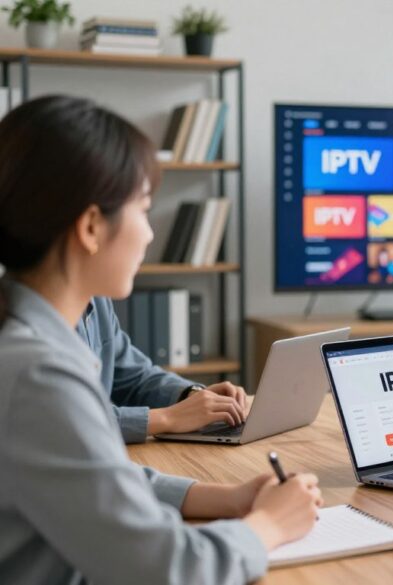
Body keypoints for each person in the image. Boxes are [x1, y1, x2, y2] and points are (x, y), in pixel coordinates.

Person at [0, 95, 322, 583]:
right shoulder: (38, 375)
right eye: (144, 210)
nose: (150, 235)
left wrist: (224, 497)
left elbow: (93, 482)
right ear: (90, 226)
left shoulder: (33, 344)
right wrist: (267, 526)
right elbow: (166, 568)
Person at [79, 295, 249, 444]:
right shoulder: (54, 328)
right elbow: (75, 419)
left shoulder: (99, 300)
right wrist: (168, 418)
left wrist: (190, 396)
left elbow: (135, 376)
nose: (142, 257)